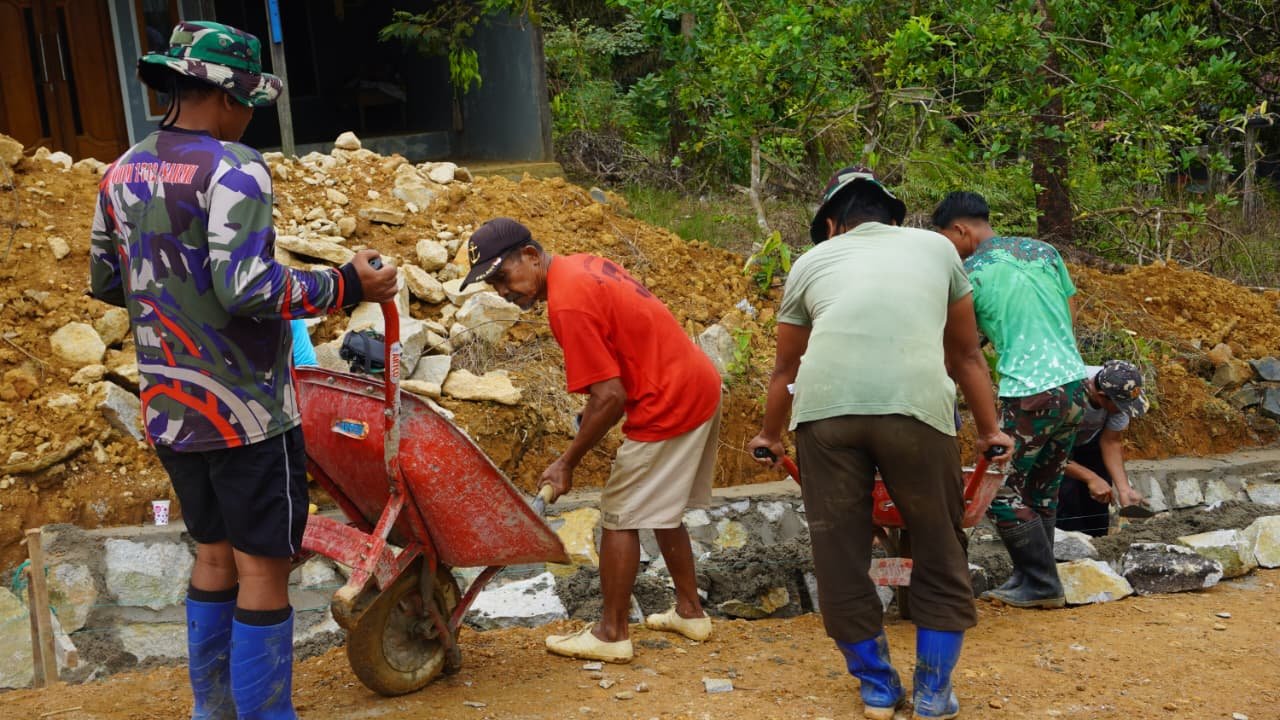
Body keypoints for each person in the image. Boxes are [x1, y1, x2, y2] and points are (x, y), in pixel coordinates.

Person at [88, 21, 397, 720]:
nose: (251, 115)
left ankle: (214, 711)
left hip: (171, 406)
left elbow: (109, 279)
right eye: (250, 101)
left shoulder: (121, 169)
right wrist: (346, 283)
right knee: (263, 566)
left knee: (213, 554)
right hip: (246, 410)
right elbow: (248, 287)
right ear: (227, 96)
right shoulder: (235, 167)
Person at [748, 167, 1014, 720]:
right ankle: (933, 693)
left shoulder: (811, 261)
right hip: (915, 409)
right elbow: (965, 354)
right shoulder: (937, 249)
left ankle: (876, 687)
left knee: (839, 554)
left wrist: (770, 435)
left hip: (826, 415)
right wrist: (990, 431)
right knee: (939, 545)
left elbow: (785, 368)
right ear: (894, 218)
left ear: (831, 223)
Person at [459, 218, 722, 665]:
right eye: (494, 285)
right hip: (694, 381)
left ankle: (611, 633)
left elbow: (610, 397)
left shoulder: (567, 304)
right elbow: (616, 373)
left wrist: (566, 462)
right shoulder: (578, 267)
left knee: (619, 514)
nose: (503, 292)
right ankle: (689, 611)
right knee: (662, 506)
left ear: (531, 255)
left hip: (669, 400)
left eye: (503, 277)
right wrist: (596, 412)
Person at [931, 191, 1088, 610]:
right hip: (1075, 386)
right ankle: (1033, 578)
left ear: (960, 229)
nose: (948, 249)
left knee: (997, 491)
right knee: (1042, 491)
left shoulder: (969, 273)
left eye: (946, 239)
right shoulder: (1044, 251)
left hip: (1030, 391)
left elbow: (961, 350)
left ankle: (1041, 582)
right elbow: (1069, 315)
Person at [1057, 360, 1150, 536]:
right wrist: (1090, 477)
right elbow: (1050, 453)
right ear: (1100, 395)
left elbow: (1111, 442)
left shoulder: (1120, 391)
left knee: (1100, 499)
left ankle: (1099, 542)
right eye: (1121, 407)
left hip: (1088, 441)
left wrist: (1124, 489)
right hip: (1052, 445)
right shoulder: (1063, 393)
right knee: (1066, 503)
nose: (1125, 410)